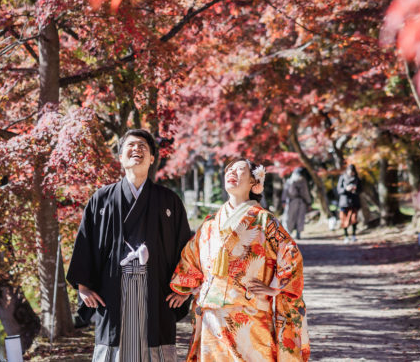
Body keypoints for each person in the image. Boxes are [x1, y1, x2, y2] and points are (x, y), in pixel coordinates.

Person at [67, 129, 193, 362]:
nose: (137, 150)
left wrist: (184, 289)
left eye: (143, 147)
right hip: (113, 291)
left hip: (156, 292)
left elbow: (186, 248)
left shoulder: (168, 201)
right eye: (131, 146)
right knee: (115, 348)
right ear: (121, 156)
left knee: (154, 348)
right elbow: (85, 242)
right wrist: (83, 286)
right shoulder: (101, 199)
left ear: (153, 158)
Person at [169, 158, 310, 362]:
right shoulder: (210, 223)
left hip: (250, 314)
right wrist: (184, 288)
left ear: (254, 183)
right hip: (212, 316)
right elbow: (192, 256)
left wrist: (276, 287)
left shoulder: (264, 220)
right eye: (229, 170)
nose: (231, 173)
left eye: (239, 170)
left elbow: (290, 254)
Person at [281, 167, 312, 241]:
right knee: (290, 217)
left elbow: (306, 193)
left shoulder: (302, 181)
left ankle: (297, 233)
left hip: (300, 202)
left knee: (298, 217)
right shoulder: (290, 181)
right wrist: (284, 201)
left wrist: (308, 202)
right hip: (292, 201)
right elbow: (285, 191)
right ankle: (289, 233)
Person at [336, 164, 361, 243]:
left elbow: (361, 189)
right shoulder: (342, 178)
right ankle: (346, 236)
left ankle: (354, 235)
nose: (351, 173)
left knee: (354, 219)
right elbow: (339, 190)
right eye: (350, 171)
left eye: (353, 171)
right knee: (344, 219)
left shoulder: (357, 179)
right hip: (344, 202)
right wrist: (346, 189)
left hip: (354, 202)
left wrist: (355, 189)